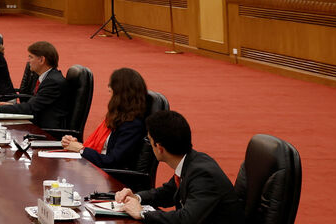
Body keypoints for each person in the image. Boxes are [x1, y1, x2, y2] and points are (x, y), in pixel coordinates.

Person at [114, 110, 244, 222]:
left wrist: (143, 214)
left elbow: (186, 219)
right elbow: (168, 193)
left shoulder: (203, 175)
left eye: (149, 141)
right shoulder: (191, 161)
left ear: (159, 148)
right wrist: (136, 197)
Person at [62, 67, 148, 170]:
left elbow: (112, 161)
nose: (109, 95)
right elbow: (100, 148)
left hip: (111, 178)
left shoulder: (132, 125)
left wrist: (81, 149)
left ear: (120, 95)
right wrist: (75, 145)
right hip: (96, 169)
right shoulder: (117, 118)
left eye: (111, 92)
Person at [0, 41, 67, 129]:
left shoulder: (52, 82)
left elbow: (30, 108)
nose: (28, 61)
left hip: (46, 132)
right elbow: (34, 104)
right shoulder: (48, 77)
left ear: (41, 60)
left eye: (31, 57)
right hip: (36, 122)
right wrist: (8, 107)